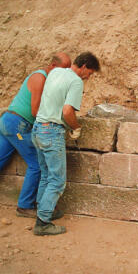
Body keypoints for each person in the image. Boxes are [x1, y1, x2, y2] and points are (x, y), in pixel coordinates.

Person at [31, 51, 100, 236]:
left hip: (38, 128)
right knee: (57, 181)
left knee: (46, 175)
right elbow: (68, 110)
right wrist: (75, 127)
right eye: (90, 73)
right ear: (84, 66)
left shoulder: (55, 72)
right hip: (52, 131)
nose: (88, 77)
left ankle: (44, 212)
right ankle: (42, 222)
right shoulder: (76, 81)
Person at [0, 52, 71, 218]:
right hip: (18, 124)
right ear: (53, 66)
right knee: (37, 164)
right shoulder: (40, 78)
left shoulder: (45, 79)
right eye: (62, 70)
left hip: (9, 121)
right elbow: (35, 110)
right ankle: (24, 206)